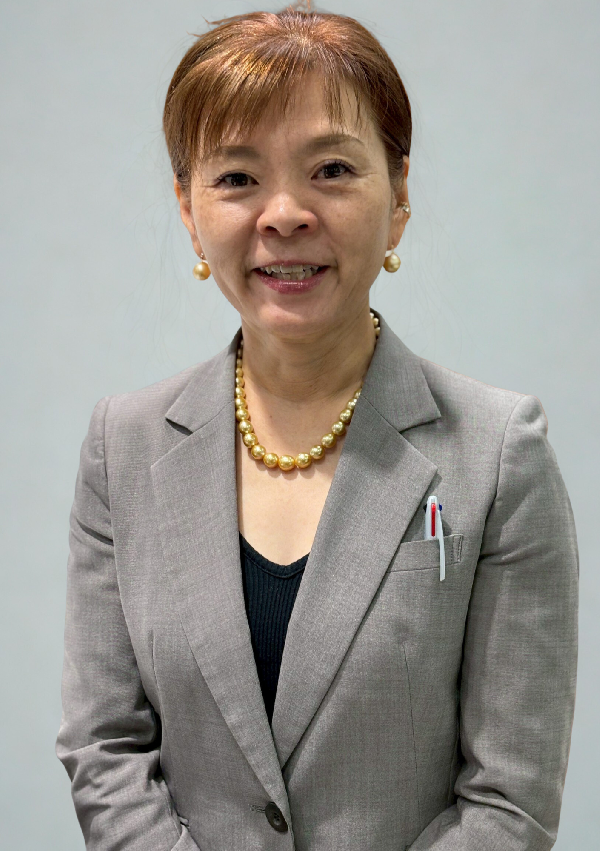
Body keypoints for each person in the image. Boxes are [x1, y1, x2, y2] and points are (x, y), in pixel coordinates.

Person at [56, 7, 578, 851]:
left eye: (331, 169)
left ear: (399, 196)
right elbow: (104, 748)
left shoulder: (498, 452)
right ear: (188, 208)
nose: (285, 213)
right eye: (237, 177)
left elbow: (508, 800)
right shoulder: (124, 447)